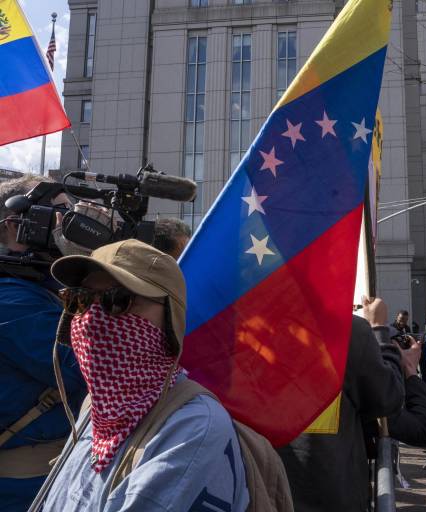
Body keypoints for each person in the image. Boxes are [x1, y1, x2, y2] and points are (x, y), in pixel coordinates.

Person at [38, 239, 280, 511]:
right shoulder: (95, 409)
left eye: (118, 300)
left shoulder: (192, 429)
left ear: (170, 320)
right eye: (80, 300)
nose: (92, 319)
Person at [0, 175, 87, 512]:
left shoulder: (37, 291)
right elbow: (86, 367)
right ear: (16, 225)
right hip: (23, 486)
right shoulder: (11, 299)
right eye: (61, 214)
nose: (71, 226)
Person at [278, 296, 404, 511]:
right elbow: (387, 398)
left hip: (262, 493)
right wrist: (379, 331)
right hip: (331, 493)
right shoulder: (348, 331)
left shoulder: (238, 328)